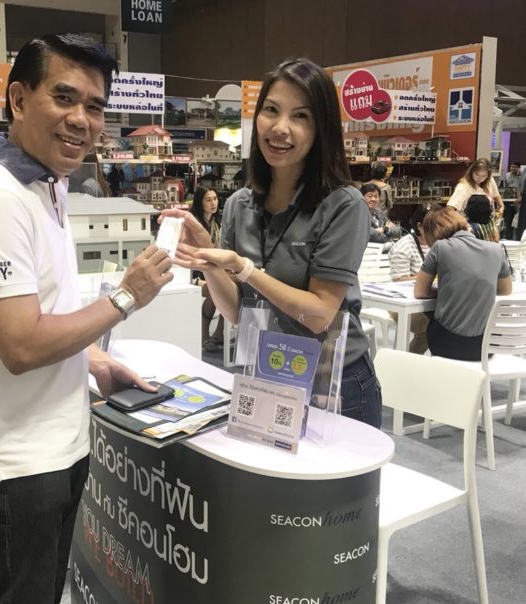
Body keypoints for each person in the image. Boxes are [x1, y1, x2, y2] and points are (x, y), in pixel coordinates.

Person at [0, 34, 173, 604]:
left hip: (53, 445)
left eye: (94, 106)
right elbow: (20, 345)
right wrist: (127, 297)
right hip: (15, 464)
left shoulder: (46, 183)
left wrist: (93, 359)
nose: (81, 119)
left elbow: (44, 309)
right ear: (18, 99)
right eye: (64, 98)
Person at [162, 58, 382, 427]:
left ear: (321, 129)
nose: (280, 128)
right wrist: (210, 264)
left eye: (301, 116)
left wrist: (245, 269)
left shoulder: (343, 205)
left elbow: (319, 316)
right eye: (271, 110)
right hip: (266, 372)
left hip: (333, 383)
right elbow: (237, 313)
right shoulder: (240, 204)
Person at [414, 207, 512, 361]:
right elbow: (506, 290)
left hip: (446, 342)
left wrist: (447, 291)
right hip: (486, 345)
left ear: (432, 231)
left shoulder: (440, 247)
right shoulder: (496, 249)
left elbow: (420, 292)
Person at [389, 203, 434, 353]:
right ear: (419, 226)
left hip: (429, 301)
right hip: (403, 303)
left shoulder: (437, 243)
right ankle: (406, 364)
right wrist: (428, 277)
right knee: (429, 330)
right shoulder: (404, 246)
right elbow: (398, 280)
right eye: (432, 225)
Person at [189, 186, 225, 352]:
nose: (213, 203)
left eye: (215, 199)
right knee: (214, 290)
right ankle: (204, 335)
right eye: (208, 200)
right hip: (193, 274)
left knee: (229, 288)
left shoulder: (216, 223)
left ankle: (219, 333)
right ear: (200, 202)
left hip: (210, 271)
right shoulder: (194, 223)